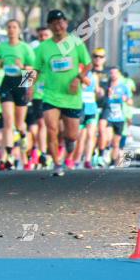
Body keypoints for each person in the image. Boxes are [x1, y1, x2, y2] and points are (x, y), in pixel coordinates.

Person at [31, 9, 90, 176]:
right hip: (50, 95)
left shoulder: (76, 42)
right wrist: (27, 87)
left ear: (66, 23)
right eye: (54, 23)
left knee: (72, 135)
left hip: (71, 97)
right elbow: (35, 69)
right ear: (50, 26)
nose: (58, 26)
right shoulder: (43, 47)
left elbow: (88, 64)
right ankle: (57, 164)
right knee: (51, 129)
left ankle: (69, 144)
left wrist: (79, 77)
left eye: (61, 22)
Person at [0, 19, 34, 170]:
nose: (11, 30)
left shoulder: (25, 48)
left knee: (19, 124)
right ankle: (8, 156)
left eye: (14, 27)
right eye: (9, 27)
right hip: (7, 83)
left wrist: (22, 67)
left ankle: (23, 135)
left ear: (19, 30)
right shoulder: (2, 46)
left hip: (20, 84)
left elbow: (31, 70)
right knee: (8, 121)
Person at [25, 25, 52, 169]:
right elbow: (29, 70)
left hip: (53, 94)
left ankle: (38, 149)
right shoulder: (34, 52)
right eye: (40, 36)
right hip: (38, 94)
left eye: (45, 35)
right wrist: (27, 88)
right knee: (39, 124)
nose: (43, 38)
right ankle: (42, 153)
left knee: (47, 126)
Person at [101, 67, 132, 167]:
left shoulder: (123, 87)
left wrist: (126, 99)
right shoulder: (106, 86)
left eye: (115, 73)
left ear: (118, 74)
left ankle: (114, 163)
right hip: (109, 116)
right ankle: (105, 152)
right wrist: (107, 95)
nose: (113, 75)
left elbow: (131, 101)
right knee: (108, 138)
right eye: (111, 73)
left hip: (120, 118)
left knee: (117, 143)